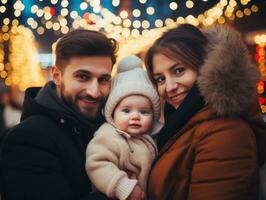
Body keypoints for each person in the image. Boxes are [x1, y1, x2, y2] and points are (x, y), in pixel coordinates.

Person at [145, 24, 266, 199]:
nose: (169, 87)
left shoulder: (226, 133)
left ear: (206, 66)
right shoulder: (181, 124)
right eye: (160, 79)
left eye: (179, 71)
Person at [0, 29, 118, 200]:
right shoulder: (28, 138)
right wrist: (124, 189)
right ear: (56, 76)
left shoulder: (112, 125)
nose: (94, 92)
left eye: (103, 79)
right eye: (83, 77)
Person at [85, 55, 162, 200]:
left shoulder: (156, 134)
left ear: (153, 115)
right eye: (126, 111)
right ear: (112, 113)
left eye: (144, 112)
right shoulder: (108, 136)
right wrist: (124, 187)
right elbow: (97, 164)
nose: (135, 116)